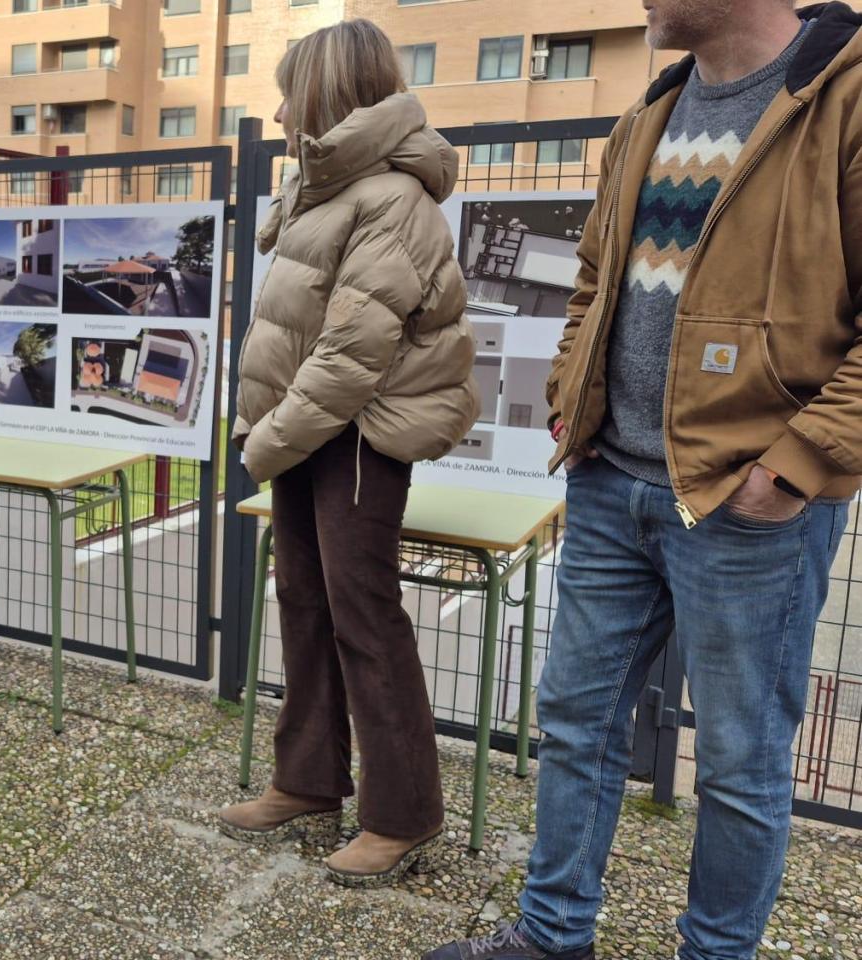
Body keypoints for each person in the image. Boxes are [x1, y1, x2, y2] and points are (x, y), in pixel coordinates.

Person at [425, 2, 862, 958]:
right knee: (576, 722)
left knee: (741, 764)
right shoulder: (648, 115)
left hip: (752, 509)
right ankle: (551, 937)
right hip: (611, 482)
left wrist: (791, 471)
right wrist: (571, 400)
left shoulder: (847, 96)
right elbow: (592, 282)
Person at [219, 19, 480, 887]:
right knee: (303, 599)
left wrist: (264, 442)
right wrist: (274, 432)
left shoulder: (391, 198)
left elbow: (351, 357)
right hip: (307, 427)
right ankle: (308, 781)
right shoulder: (328, 187)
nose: (285, 107)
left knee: (363, 614)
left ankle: (403, 814)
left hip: (359, 433)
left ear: (332, 93)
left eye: (294, 90)